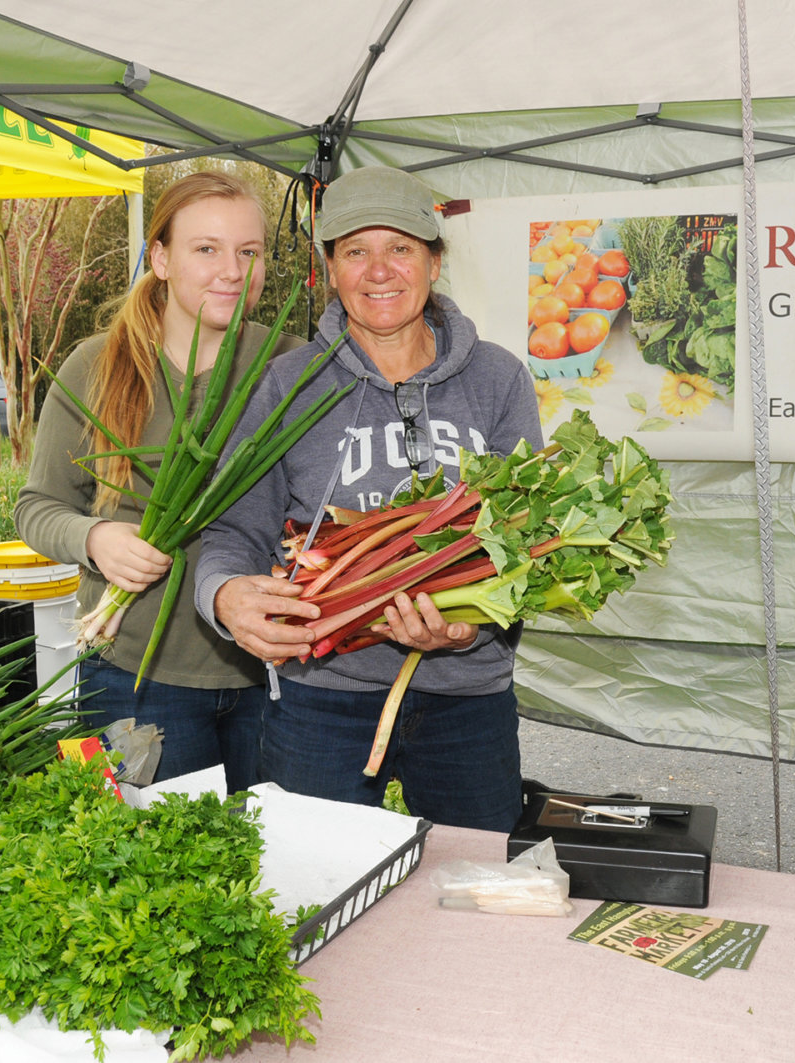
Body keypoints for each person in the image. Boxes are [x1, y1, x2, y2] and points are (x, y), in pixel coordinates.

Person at [194, 166, 542, 831]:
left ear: (434, 261)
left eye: (401, 248)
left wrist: (472, 627)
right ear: (331, 268)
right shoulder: (288, 385)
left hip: (467, 701)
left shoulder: (498, 379)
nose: (379, 270)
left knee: (477, 891)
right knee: (316, 898)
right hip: (323, 699)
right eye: (356, 250)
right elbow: (232, 534)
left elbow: (526, 547)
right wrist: (222, 593)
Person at [16, 171, 303, 793]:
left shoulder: (293, 365)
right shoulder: (96, 364)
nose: (232, 270)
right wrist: (96, 539)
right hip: (130, 677)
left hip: (273, 677)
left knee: (276, 872)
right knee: (144, 865)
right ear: (161, 258)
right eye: (206, 249)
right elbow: (36, 507)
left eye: (248, 252)